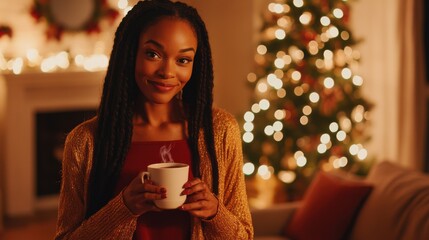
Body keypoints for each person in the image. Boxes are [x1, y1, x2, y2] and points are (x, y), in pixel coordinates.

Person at [54, 0, 253, 239]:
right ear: (130, 54)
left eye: (183, 60)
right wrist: (123, 208)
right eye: (153, 54)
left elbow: (244, 236)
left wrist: (214, 212)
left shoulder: (220, 131)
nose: (167, 72)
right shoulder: (85, 141)